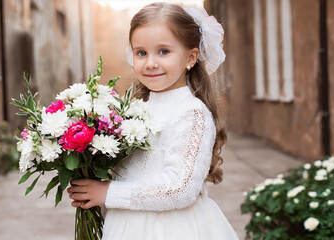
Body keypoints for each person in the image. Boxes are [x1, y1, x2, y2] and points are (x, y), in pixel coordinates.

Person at [67, 2, 239, 239]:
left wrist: (108, 193)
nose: (150, 63)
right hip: (126, 224)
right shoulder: (134, 109)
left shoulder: (191, 113)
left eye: (163, 51)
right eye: (141, 52)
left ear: (191, 57)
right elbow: (131, 172)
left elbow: (179, 189)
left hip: (173, 228)